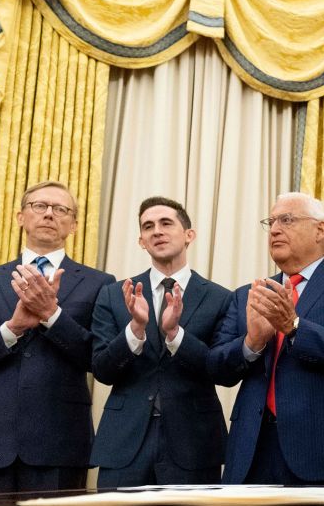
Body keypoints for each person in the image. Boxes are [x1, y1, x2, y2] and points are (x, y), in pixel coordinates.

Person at [207, 192, 324, 485]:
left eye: (287, 220)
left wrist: (294, 327)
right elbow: (216, 368)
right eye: (271, 221)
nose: (274, 229)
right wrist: (252, 343)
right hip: (253, 450)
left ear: (320, 230)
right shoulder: (248, 295)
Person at [0, 181, 114, 494]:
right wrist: (11, 329)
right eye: (39, 206)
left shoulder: (100, 284)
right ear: (20, 217)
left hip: (60, 441)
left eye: (61, 209)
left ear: (74, 225)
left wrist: (52, 317)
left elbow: (101, 361)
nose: (49, 214)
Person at [90, 197, 232, 488]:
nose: (157, 231)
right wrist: (135, 329)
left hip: (194, 443)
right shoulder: (114, 294)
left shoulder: (221, 298)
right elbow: (102, 370)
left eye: (166, 223)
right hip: (124, 441)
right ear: (141, 241)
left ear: (189, 235)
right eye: (148, 227)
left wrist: (174, 335)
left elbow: (220, 368)